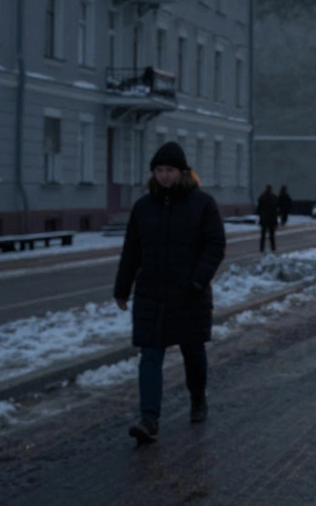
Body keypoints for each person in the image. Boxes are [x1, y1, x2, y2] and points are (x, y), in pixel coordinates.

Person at [114, 141, 226, 444]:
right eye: (160, 170)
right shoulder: (143, 207)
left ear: (182, 172)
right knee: (150, 355)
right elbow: (131, 251)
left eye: (170, 170)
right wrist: (122, 288)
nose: (164, 176)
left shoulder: (202, 204)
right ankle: (149, 419)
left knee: (193, 352)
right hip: (152, 293)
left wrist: (197, 281)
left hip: (188, 293)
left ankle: (198, 399)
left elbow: (215, 245)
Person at [256, 184, 278, 253]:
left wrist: (260, 215)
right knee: (272, 235)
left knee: (263, 234)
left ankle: (262, 247)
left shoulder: (262, 197)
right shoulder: (273, 197)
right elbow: (276, 208)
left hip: (264, 218)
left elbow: (258, 208)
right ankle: (273, 247)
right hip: (271, 218)